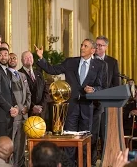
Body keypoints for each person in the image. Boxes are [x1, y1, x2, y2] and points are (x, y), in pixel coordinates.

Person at [35, 39, 107, 165]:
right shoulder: (71, 62)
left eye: (85, 46)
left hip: (87, 107)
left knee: (85, 142)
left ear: (93, 50)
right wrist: (41, 58)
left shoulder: (100, 65)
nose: (82, 48)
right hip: (71, 107)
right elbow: (52, 69)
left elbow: (102, 86)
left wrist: (93, 89)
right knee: (69, 141)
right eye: (81, 45)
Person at [91, 35, 120, 165]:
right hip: (90, 103)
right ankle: (90, 161)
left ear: (106, 47)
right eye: (96, 45)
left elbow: (116, 84)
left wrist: (107, 96)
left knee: (104, 134)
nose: (97, 47)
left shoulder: (112, 62)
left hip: (106, 104)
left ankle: (105, 161)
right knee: (92, 134)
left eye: (101, 45)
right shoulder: (89, 60)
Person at [0, 47, 19, 140]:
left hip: (9, 116)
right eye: (1, 55)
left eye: (5, 55)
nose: (3, 57)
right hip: (0, 117)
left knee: (8, 145)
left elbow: (11, 92)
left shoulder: (7, 72)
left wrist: (16, 106)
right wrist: (10, 108)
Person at [8, 53, 31, 167]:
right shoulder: (6, 74)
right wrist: (21, 108)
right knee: (12, 145)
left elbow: (28, 93)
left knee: (21, 144)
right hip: (13, 116)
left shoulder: (22, 75)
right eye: (10, 57)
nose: (12, 59)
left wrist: (27, 106)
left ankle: (20, 164)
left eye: (14, 58)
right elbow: (9, 95)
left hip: (24, 116)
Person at [18, 51, 48, 125]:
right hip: (27, 112)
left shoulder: (39, 74)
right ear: (21, 60)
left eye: (30, 57)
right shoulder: (18, 74)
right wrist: (32, 107)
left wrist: (41, 106)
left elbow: (45, 91)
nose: (29, 59)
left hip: (41, 112)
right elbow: (20, 95)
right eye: (26, 57)